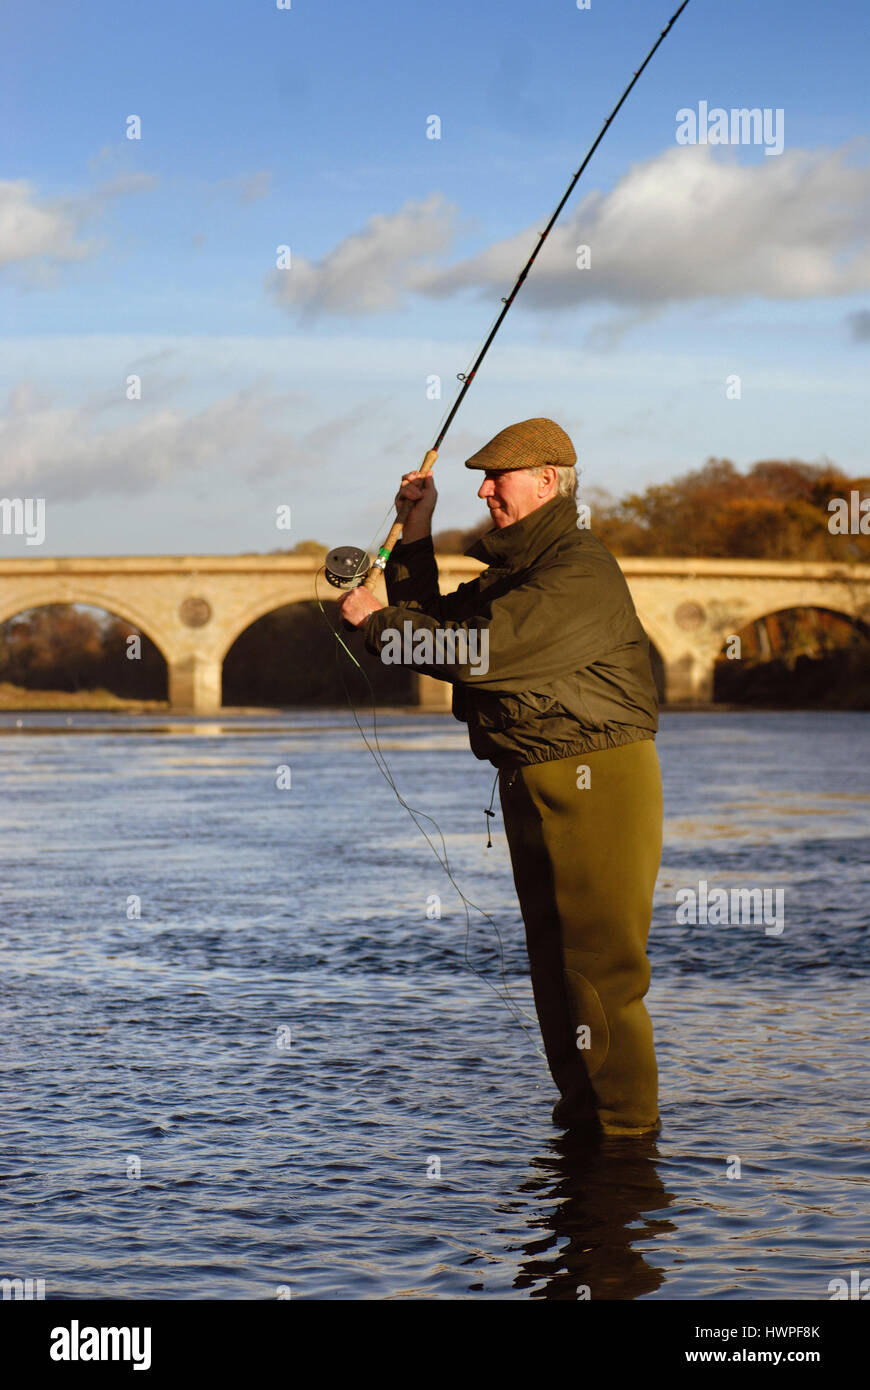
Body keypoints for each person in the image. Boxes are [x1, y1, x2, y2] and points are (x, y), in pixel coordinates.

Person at [338, 418, 663, 1136]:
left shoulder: (579, 571)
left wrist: (377, 624)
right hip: (530, 777)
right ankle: (584, 1129)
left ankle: (626, 1144)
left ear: (548, 480)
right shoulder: (517, 574)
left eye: (497, 478)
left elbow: (479, 650)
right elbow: (436, 622)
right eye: (480, 479)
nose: (483, 490)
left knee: (599, 975)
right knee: (554, 971)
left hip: (595, 777)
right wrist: (415, 536)